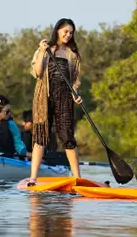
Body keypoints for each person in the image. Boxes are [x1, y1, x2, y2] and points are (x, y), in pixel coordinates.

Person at [28, 18, 83, 186]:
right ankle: (33, 178)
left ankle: (78, 179)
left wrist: (76, 94)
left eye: (71, 33)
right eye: (65, 31)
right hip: (44, 98)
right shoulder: (45, 49)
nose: (68, 35)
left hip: (65, 98)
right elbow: (37, 72)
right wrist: (43, 51)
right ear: (57, 30)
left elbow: (75, 80)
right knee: (40, 137)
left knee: (68, 137)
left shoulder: (73, 54)